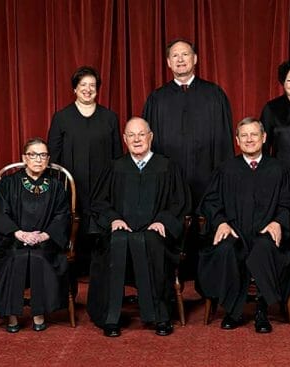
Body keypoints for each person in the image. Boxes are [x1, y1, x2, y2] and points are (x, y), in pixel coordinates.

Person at [87, 117, 191, 337]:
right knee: (116, 241)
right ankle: (111, 317)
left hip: (154, 233)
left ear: (150, 137)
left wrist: (162, 220)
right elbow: (98, 202)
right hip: (121, 232)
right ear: (124, 139)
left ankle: (159, 316)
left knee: (153, 242)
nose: (137, 139)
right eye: (131, 135)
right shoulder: (115, 167)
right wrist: (113, 219)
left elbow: (179, 203)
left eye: (141, 134)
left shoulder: (167, 166)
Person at [142, 39, 234, 281]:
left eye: (185, 54)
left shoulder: (214, 94)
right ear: (168, 62)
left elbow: (225, 141)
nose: (180, 59)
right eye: (175, 55)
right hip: (170, 181)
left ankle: (207, 275)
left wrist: (221, 177)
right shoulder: (157, 99)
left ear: (196, 59)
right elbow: (147, 146)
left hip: (206, 176)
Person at [198, 117, 290, 334]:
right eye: (244, 135)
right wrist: (221, 223)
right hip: (236, 233)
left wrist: (278, 222)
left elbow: (289, 203)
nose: (249, 139)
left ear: (263, 138)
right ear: (237, 140)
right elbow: (210, 202)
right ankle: (233, 311)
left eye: (254, 134)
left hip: (266, 234)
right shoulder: (226, 169)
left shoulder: (278, 169)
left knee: (264, 247)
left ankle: (262, 310)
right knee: (226, 248)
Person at [0, 138, 70, 333]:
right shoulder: (8, 183)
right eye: (33, 154)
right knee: (18, 256)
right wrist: (19, 234)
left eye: (43, 155)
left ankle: (38, 312)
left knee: (38, 256)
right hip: (12, 241)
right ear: (25, 158)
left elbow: (62, 216)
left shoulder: (56, 187)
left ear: (48, 159)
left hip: (45, 243)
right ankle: (12, 314)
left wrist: (45, 236)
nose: (38, 159)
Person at [48, 66, 123, 286]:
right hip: (72, 187)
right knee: (73, 228)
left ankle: (102, 277)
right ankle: (70, 278)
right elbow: (54, 156)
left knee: (102, 230)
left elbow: (117, 155)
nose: (88, 90)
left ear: (97, 90)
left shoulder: (109, 117)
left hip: (103, 186)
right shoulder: (62, 117)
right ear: (75, 89)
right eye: (83, 85)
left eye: (92, 85)